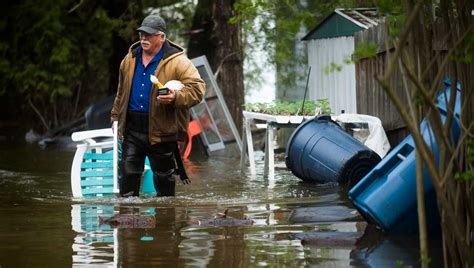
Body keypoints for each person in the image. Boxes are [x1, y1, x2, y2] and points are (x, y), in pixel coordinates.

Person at [110, 13, 205, 197]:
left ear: (161, 37)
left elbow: (198, 90)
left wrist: (175, 96)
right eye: (141, 34)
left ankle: (166, 222)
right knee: (128, 177)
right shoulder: (129, 59)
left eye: (149, 34)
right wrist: (115, 117)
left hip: (162, 130)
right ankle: (128, 221)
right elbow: (121, 92)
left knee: (164, 181)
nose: (143, 38)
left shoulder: (178, 61)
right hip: (131, 128)